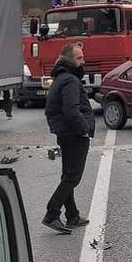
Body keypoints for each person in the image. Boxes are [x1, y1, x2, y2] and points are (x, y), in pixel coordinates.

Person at [43, 43, 94, 234]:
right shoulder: (70, 80)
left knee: (68, 175)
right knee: (73, 177)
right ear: (70, 61)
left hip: (65, 133)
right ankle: (52, 213)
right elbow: (71, 110)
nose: (83, 62)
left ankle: (72, 215)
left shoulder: (61, 78)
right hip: (73, 134)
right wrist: (84, 129)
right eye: (80, 58)